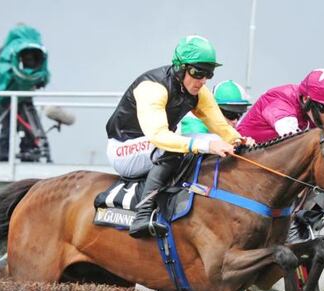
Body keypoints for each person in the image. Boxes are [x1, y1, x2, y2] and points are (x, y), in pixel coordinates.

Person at [105, 35, 256, 239]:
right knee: (182, 145)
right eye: (197, 72)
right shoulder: (153, 88)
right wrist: (206, 145)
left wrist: (238, 140)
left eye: (208, 74)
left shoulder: (198, 91)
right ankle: (142, 214)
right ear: (180, 67)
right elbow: (159, 136)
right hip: (124, 148)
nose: (202, 80)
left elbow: (219, 125)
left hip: (151, 146)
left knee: (210, 140)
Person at [0, 24, 51, 162]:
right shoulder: (6, 51)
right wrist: (6, 71)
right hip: (7, 98)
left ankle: (29, 155)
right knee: (7, 129)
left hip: (25, 96)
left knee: (29, 130)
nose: (28, 58)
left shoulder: (33, 50)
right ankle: (5, 158)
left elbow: (40, 71)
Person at [237, 68, 324, 143]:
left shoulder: (315, 105)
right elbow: (295, 141)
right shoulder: (280, 101)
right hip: (238, 162)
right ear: (305, 99)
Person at [180, 80, 253, 136]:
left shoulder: (226, 125)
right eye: (231, 115)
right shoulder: (193, 122)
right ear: (215, 110)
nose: (235, 121)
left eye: (239, 115)